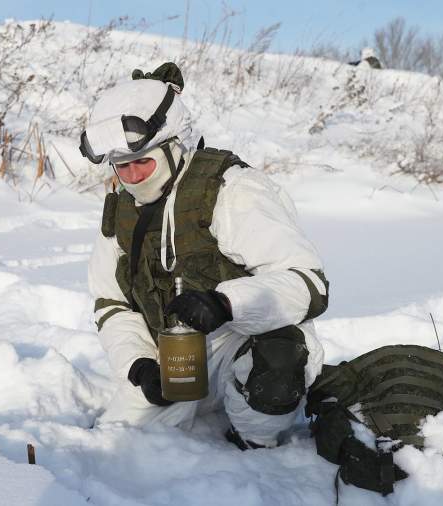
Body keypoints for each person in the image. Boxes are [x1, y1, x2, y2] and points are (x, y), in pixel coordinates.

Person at [82, 63, 329, 449]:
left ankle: (254, 443)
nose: (130, 178)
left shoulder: (232, 190)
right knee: (114, 452)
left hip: (233, 346)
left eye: (141, 163)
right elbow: (109, 302)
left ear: (173, 146)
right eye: (121, 167)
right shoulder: (122, 208)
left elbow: (308, 285)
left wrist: (226, 303)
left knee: (281, 356)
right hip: (167, 360)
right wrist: (138, 365)